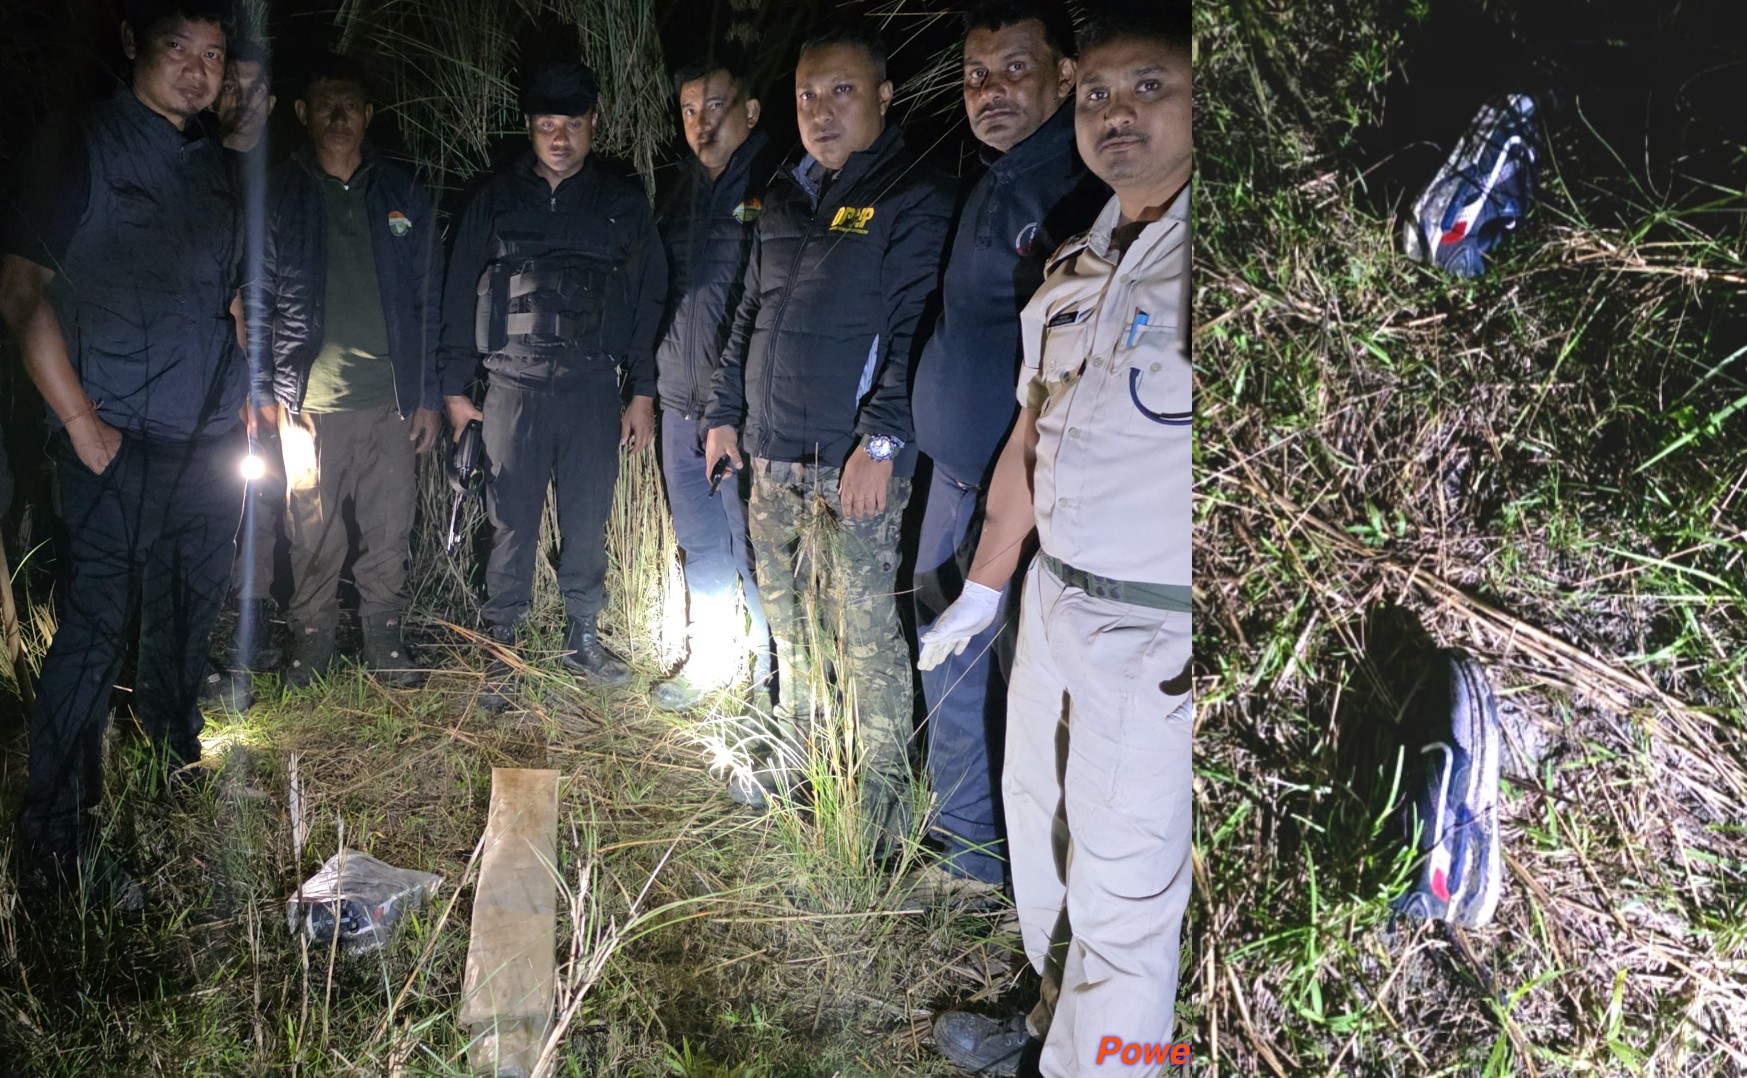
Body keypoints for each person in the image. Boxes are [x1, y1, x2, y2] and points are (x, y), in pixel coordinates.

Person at [923, 5, 1193, 1075]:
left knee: (1127, 895)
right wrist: (988, 585)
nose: (1115, 114)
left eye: (1149, 88)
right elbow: (1034, 432)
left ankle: (1114, 1059)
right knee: (1043, 836)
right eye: (1097, 95)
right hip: (1052, 598)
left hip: (1149, 627)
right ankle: (1047, 1031)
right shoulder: (1083, 257)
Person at [0, 0, 246, 910]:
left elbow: (223, 298)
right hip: (117, 441)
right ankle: (56, 842)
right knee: (95, 635)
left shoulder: (214, 169)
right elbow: (22, 292)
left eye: (214, 55)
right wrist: (78, 424)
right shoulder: (80, 144)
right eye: (179, 49)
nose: (197, 69)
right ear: (136, 49)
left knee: (186, 613)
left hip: (208, 440)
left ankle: (171, 763)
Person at [703, 25, 954, 839]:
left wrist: (881, 443)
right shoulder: (785, 191)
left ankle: (879, 808)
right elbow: (750, 311)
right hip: (770, 456)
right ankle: (802, 762)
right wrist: (721, 415)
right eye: (807, 95)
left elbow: (917, 321)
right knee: (790, 626)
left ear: (884, 95)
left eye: (841, 91)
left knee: (868, 639)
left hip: (849, 461)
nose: (819, 109)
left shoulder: (913, 191)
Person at [908, 0, 1107, 903]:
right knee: (949, 662)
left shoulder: (1077, 186)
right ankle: (964, 854)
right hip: (952, 474)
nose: (988, 93)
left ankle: (1023, 888)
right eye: (974, 76)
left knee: (1020, 690)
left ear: (1066, 76)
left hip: (1021, 495)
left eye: (1014, 70)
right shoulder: (991, 176)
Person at [439, 61, 666, 708]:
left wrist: (642, 391)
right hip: (510, 390)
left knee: (586, 522)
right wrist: (456, 391)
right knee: (509, 524)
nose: (559, 137)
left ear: (593, 123)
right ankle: (501, 647)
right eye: (545, 125)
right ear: (530, 129)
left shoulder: (622, 203)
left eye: (571, 124)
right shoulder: (494, 199)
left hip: (593, 390)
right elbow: (458, 292)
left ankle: (581, 637)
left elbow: (649, 299)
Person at [258, 54, 443, 689]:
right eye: (326, 106)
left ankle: (383, 637)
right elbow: (255, 297)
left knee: (389, 525)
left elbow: (428, 297)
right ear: (304, 114)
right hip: (305, 401)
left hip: (390, 401)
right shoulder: (279, 193)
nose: (340, 118)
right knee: (309, 526)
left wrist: (426, 394)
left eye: (352, 106)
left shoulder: (400, 193)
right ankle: (312, 640)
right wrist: (261, 388)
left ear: (368, 116)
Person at [649, 52, 781, 712]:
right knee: (699, 542)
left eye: (717, 107)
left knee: (749, 548)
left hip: (740, 409)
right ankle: (712, 661)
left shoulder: (778, 183)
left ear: (750, 112)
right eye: (689, 110)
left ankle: (767, 683)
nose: (701, 123)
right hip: (676, 398)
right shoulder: (677, 190)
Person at [201, 36, 281, 712]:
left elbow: (278, 296)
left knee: (254, 507)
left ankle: (247, 646)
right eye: (233, 86)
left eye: (256, 91)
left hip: (253, 384)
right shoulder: (190, 167)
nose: (242, 102)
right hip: (185, 385)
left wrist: (263, 390)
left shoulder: (281, 181)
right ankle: (191, 648)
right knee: (192, 516)